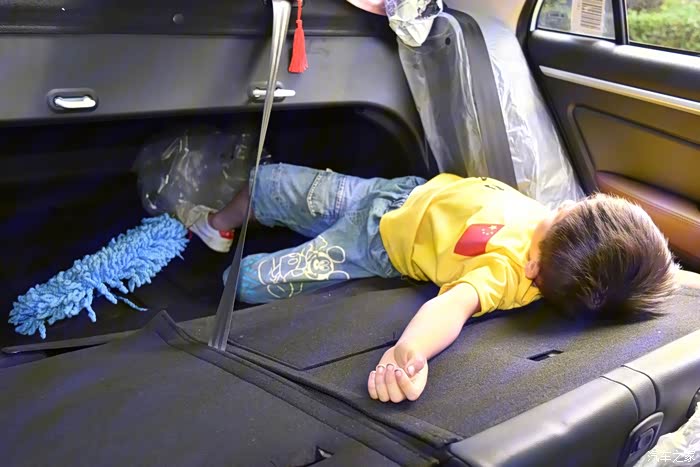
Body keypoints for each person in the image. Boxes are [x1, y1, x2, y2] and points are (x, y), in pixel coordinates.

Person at [190, 163, 678, 403]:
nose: (564, 205)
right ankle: (216, 226)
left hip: (374, 242)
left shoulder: (508, 275)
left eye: (560, 218)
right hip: (397, 193)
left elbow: (452, 308)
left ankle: (220, 269)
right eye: (577, 206)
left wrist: (409, 353)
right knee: (268, 182)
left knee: (250, 281)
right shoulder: (560, 235)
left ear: (534, 268)